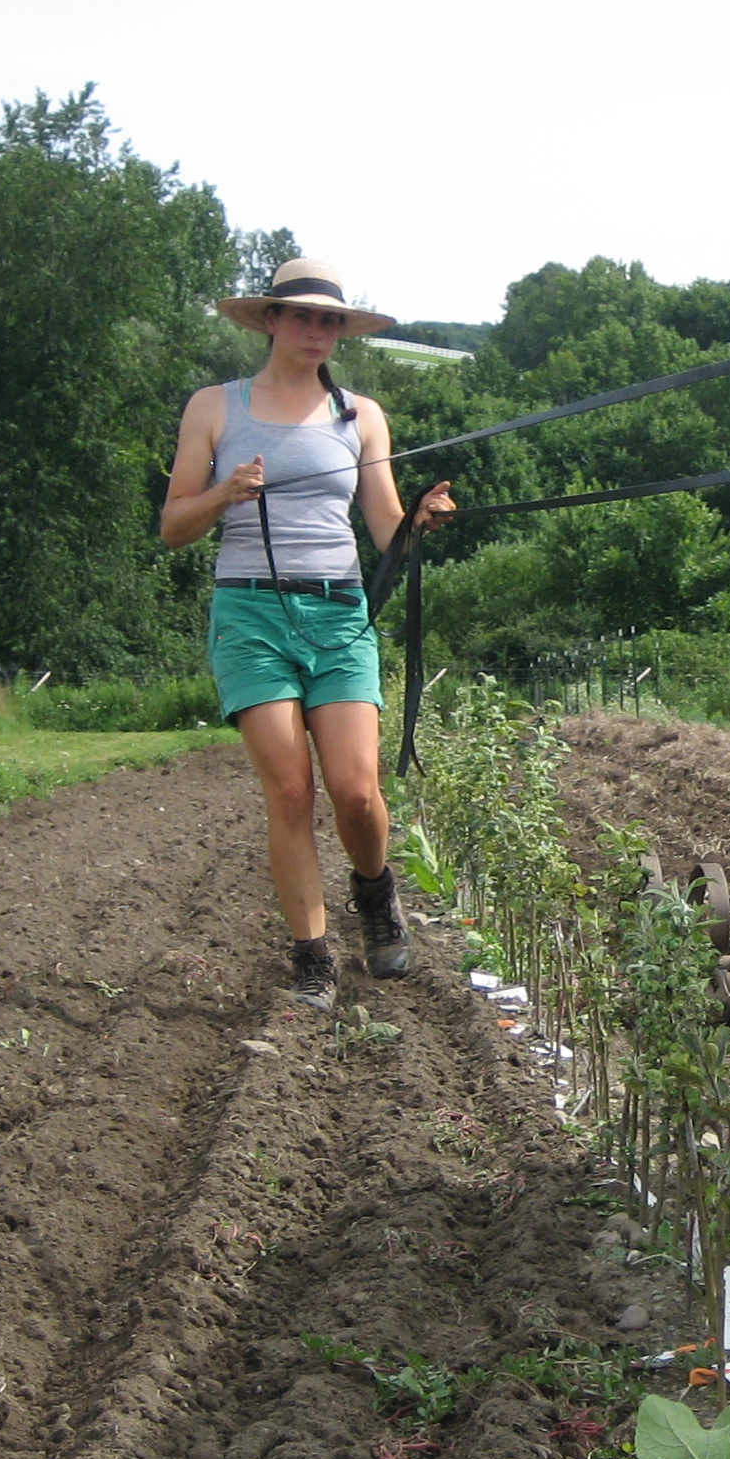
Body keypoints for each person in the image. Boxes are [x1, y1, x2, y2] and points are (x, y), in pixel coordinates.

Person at [162, 258, 454, 1011]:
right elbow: (172, 527)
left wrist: (419, 524)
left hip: (338, 613)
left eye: (329, 321)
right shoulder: (215, 409)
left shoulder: (362, 417)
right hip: (251, 614)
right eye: (302, 317)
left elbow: (385, 531)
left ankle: (375, 893)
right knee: (290, 789)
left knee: (356, 792)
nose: (317, 332)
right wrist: (226, 492)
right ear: (270, 321)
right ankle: (312, 956)